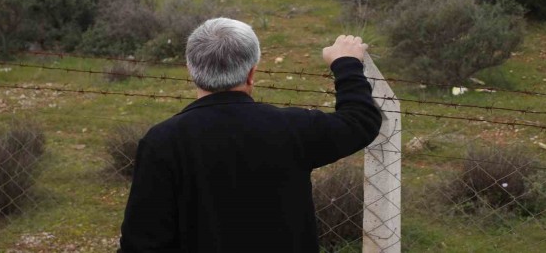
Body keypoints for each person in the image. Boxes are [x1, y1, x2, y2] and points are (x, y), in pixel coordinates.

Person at [118, 17, 382, 252]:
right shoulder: (292, 129)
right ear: (251, 73)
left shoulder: (162, 142)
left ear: (191, 70)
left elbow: (141, 243)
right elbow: (360, 121)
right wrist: (346, 64)